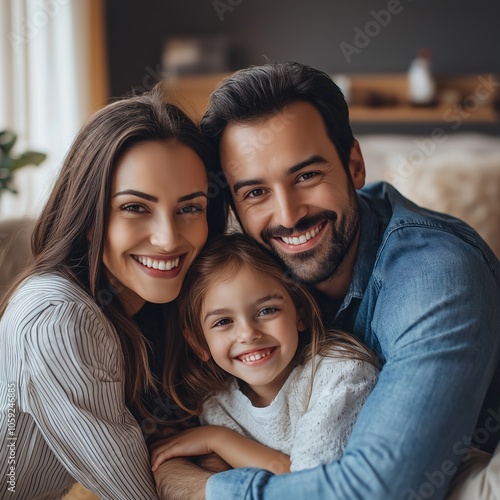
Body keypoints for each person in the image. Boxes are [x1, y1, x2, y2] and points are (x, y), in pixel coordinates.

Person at [153, 62, 500, 500]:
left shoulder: (436, 277)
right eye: (255, 192)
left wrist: (203, 488)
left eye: (306, 176)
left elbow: (376, 491)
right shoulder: (247, 268)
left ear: (354, 165)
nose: (288, 215)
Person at [0, 85, 225, 499]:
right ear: (89, 217)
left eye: (190, 207)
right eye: (135, 207)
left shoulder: (142, 311)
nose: (167, 238)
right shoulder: (59, 317)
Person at [150, 232, 379, 474]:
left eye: (267, 310)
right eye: (224, 321)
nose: (248, 334)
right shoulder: (218, 407)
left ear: (299, 312)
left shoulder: (340, 373)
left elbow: (309, 484)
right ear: (199, 343)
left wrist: (217, 440)